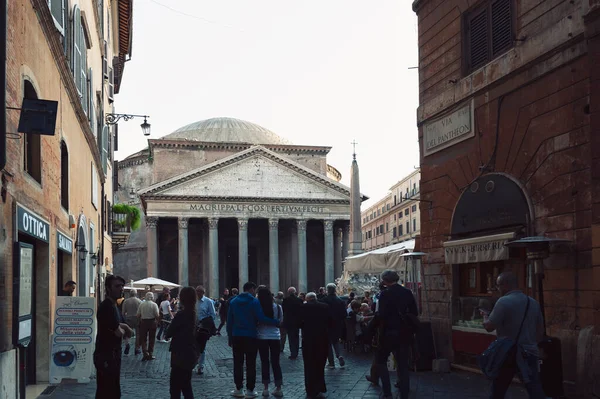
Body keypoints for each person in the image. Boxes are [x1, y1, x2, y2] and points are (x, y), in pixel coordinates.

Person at [483, 271, 546, 399]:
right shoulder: (533, 302)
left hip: (508, 353)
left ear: (505, 285)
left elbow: (489, 327)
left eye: (498, 286)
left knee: (498, 389)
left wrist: (484, 316)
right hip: (529, 352)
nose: (498, 289)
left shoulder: (503, 302)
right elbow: (540, 331)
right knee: (534, 388)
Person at [227, 282, 279, 398]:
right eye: (254, 290)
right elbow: (261, 318)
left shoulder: (233, 301)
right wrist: (276, 322)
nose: (255, 292)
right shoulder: (254, 301)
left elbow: (229, 322)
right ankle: (250, 390)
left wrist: (230, 337)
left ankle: (238, 389)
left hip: (236, 336)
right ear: (251, 289)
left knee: (238, 363)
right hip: (251, 336)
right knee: (251, 364)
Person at [375, 270, 418, 399]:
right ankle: (404, 390)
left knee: (381, 360)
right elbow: (414, 312)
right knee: (403, 362)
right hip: (404, 332)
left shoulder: (384, 294)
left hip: (389, 332)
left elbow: (381, 315)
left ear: (385, 281)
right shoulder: (407, 292)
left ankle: (387, 392)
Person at [94, 275, 133, 399]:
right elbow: (118, 332)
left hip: (113, 354)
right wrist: (125, 328)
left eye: (122, 286)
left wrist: (124, 327)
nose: (121, 289)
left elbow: (117, 325)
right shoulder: (106, 306)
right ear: (108, 288)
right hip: (106, 354)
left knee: (113, 389)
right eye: (117, 286)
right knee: (107, 391)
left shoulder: (114, 305)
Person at [166, 286, 200, 399]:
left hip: (179, 355)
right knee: (186, 386)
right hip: (190, 353)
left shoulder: (181, 314)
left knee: (175, 388)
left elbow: (168, 333)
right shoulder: (193, 314)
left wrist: (172, 322)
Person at [299, 292, 332, 399]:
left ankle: (310, 389)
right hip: (322, 339)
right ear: (316, 298)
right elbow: (330, 321)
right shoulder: (325, 307)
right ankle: (319, 387)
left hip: (308, 339)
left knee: (309, 365)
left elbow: (299, 323)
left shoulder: (303, 307)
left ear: (307, 299)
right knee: (320, 364)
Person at [257, 286, 284, 397]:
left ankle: (265, 388)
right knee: (276, 362)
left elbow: (257, 321)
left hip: (262, 337)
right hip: (275, 337)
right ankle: (278, 388)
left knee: (264, 362)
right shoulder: (278, 307)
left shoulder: (258, 307)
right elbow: (280, 322)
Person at [319, 283, 346, 369]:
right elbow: (344, 314)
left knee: (328, 344)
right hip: (337, 325)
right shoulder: (340, 301)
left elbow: (321, 314)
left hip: (326, 325)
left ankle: (331, 363)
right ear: (335, 290)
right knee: (336, 342)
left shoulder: (323, 300)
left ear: (327, 290)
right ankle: (339, 355)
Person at [196, 285, 217, 375]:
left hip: (203, 328)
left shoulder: (208, 301)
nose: (198, 293)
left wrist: (205, 323)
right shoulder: (193, 301)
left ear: (203, 293)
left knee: (202, 347)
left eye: (200, 291)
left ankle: (201, 366)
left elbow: (213, 315)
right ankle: (195, 361)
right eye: (197, 291)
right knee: (194, 345)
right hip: (194, 326)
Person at [137, 292, 160, 361]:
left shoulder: (141, 304)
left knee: (143, 338)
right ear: (152, 297)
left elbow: (138, 315)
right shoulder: (154, 305)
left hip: (143, 322)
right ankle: (150, 353)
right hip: (152, 322)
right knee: (152, 338)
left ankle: (145, 353)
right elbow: (157, 315)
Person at [281, 287, 303, 359]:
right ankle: (296, 352)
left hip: (289, 321)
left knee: (290, 338)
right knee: (296, 337)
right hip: (297, 321)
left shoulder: (286, 300)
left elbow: (283, 310)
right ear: (295, 292)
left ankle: (292, 353)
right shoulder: (299, 300)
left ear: (288, 292)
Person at [122, 289, 142, 355]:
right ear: (136, 294)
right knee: (138, 334)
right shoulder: (139, 301)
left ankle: (127, 344)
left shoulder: (126, 301)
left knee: (127, 333)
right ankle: (137, 349)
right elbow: (141, 312)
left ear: (130, 294)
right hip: (137, 319)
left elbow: (123, 312)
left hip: (129, 319)